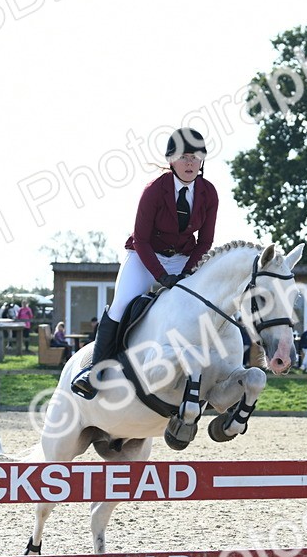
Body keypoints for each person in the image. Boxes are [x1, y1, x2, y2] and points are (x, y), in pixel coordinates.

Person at [72, 127, 219, 399]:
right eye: (184, 157)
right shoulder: (154, 190)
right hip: (145, 255)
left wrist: (187, 273)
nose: (190, 163)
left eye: (195, 157)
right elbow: (141, 239)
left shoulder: (208, 193)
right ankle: (95, 371)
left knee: (204, 304)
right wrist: (162, 277)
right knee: (121, 304)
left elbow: (205, 242)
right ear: (171, 161)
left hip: (183, 259)